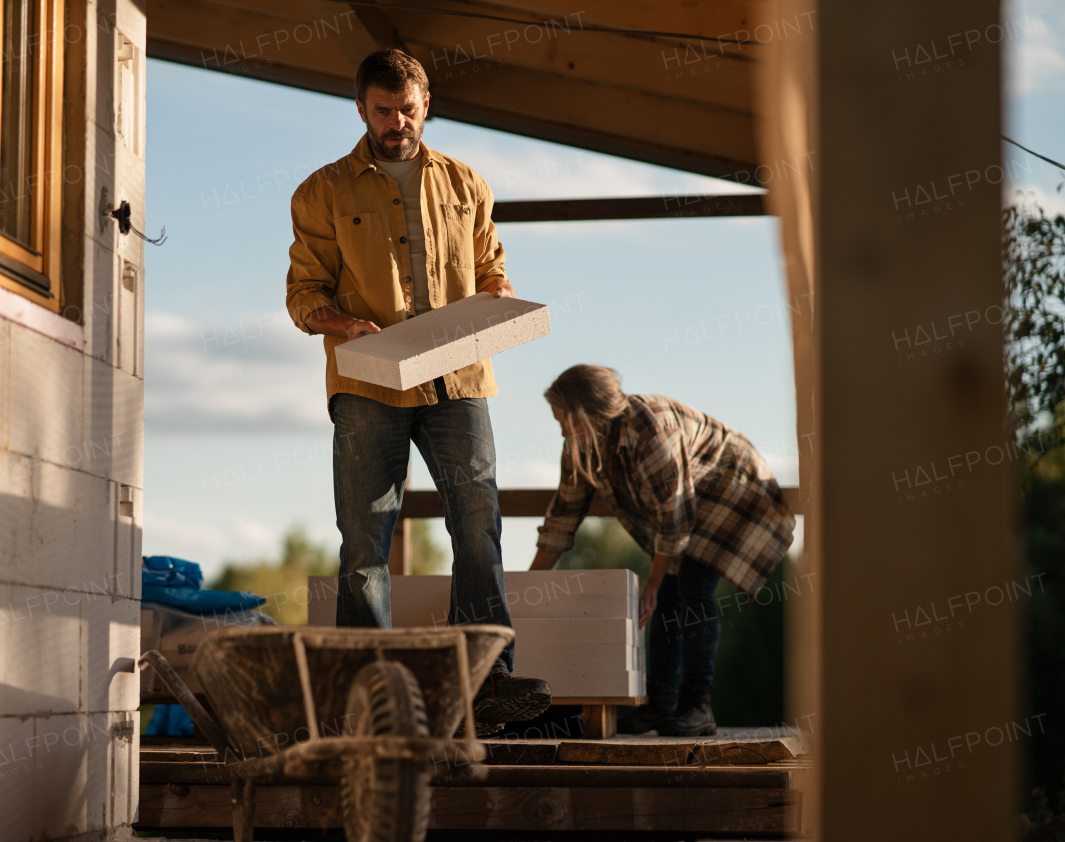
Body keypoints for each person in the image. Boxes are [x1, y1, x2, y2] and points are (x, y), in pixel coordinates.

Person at [284, 49, 552, 734]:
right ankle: (365, 698)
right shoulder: (321, 192)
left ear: (425, 104)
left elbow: (493, 266)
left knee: (478, 526)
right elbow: (303, 296)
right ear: (361, 109)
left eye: (407, 108)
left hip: (459, 379)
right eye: (383, 110)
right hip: (367, 381)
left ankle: (488, 684)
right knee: (365, 543)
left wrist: (497, 294)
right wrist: (349, 325)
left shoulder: (468, 184)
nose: (397, 122)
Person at [529, 365, 795, 736]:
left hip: (730, 485)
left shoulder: (651, 428)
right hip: (686, 508)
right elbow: (562, 517)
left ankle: (698, 706)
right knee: (667, 595)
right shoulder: (580, 446)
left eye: (564, 419)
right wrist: (524, 589)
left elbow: (674, 516)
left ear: (587, 412)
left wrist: (651, 582)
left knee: (692, 587)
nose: (560, 429)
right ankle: (660, 703)